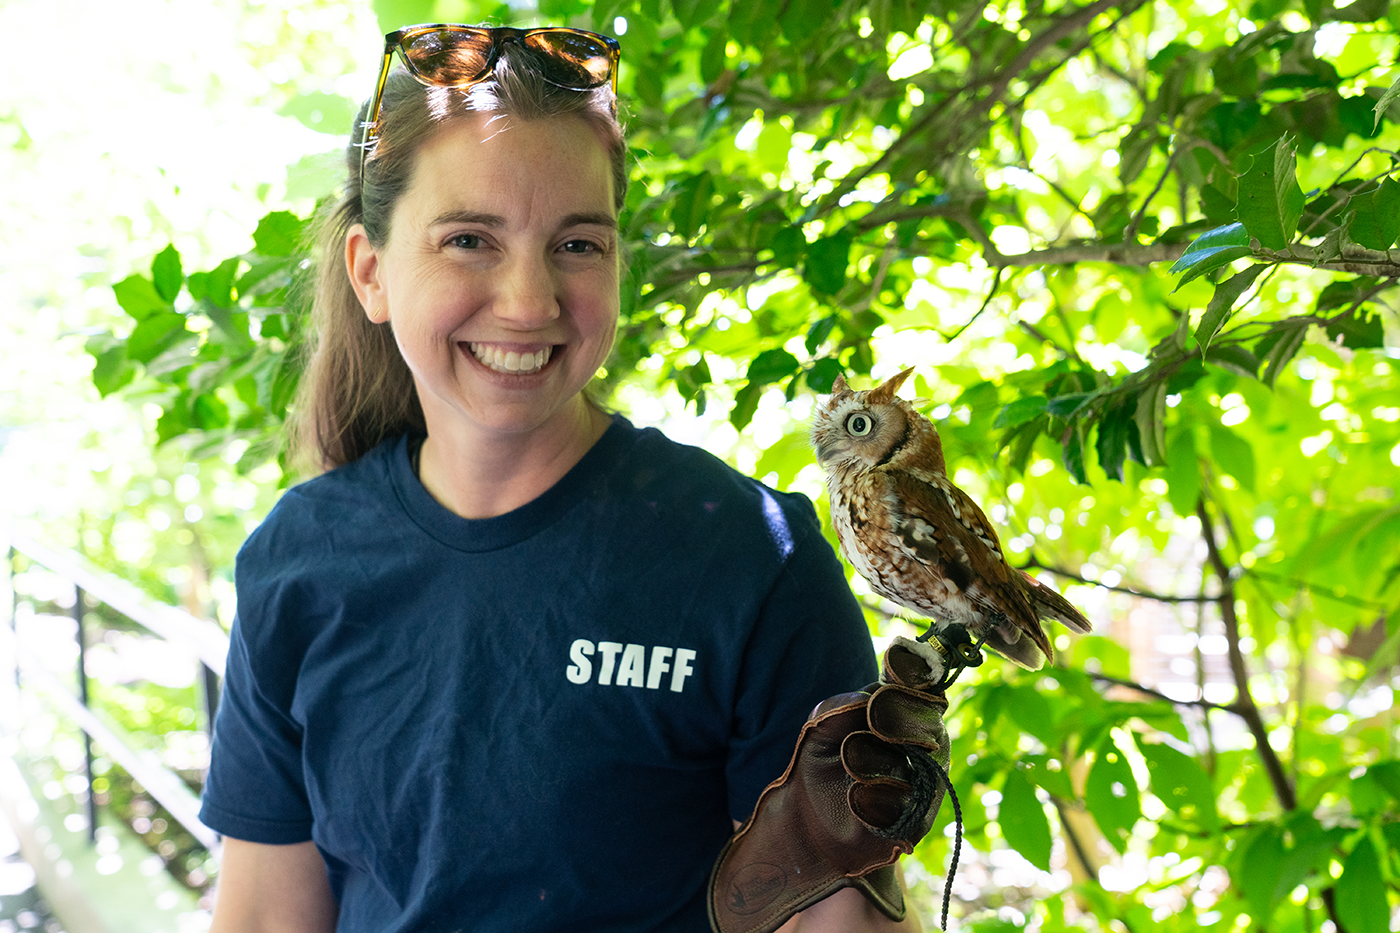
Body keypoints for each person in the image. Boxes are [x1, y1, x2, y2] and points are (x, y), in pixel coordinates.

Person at [197, 24, 934, 932]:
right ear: (372, 271)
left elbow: (829, 921)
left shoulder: (748, 560)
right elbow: (269, 916)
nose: (529, 301)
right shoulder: (298, 558)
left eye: (577, 244)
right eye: (469, 238)